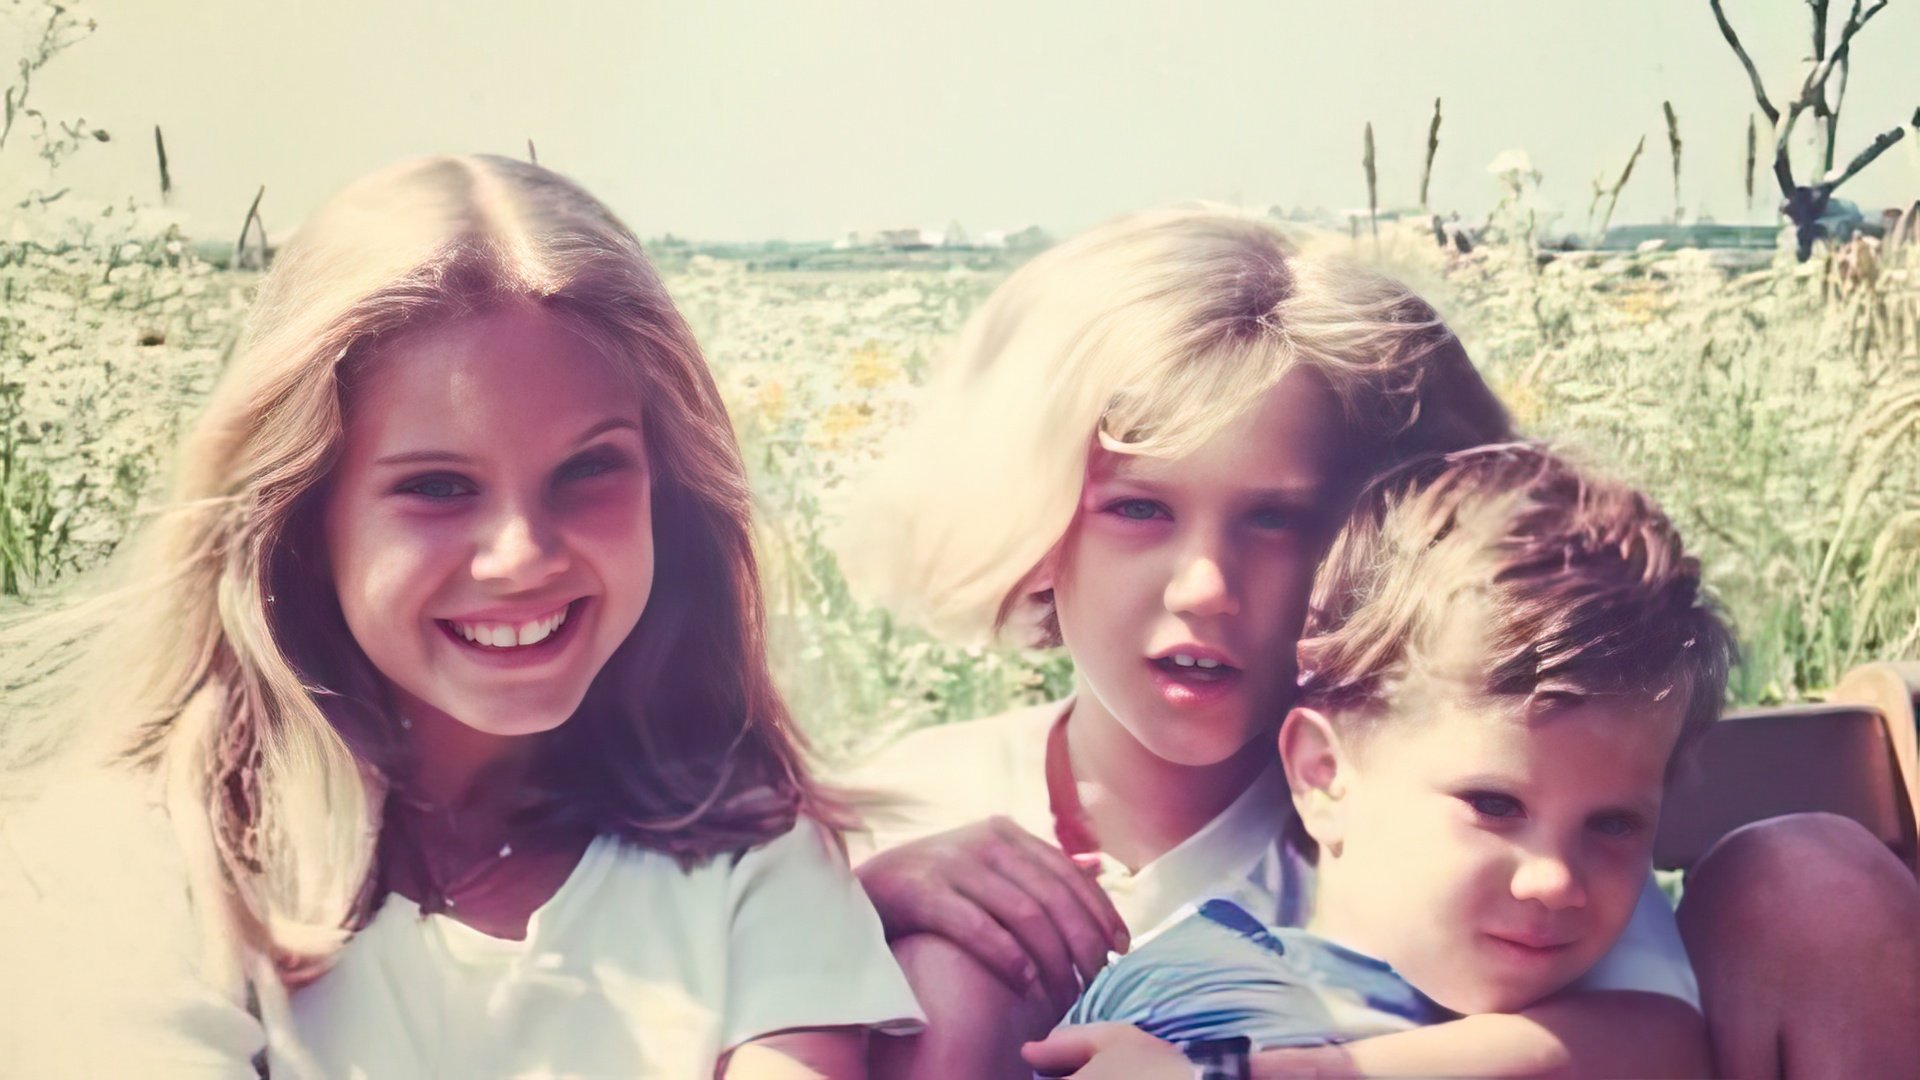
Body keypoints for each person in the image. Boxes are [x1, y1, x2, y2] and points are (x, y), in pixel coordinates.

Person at [838, 205, 1920, 1079]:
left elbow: (1640, 1036)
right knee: (947, 968)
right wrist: (866, 894)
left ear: (1377, 537)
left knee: (1814, 870)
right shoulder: (913, 804)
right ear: (1033, 517)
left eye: (1281, 520)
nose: (1207, 587)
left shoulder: (1458, 789)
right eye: (1139, 511)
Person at [0, 154, 921, 1079]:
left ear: (670, 495)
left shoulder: (750, 856)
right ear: (301, 515)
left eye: (588, 470)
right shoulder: (127, 861)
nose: (521, 556)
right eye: (438, 488)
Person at [1059, 443, 1735, 1062]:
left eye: (1613, 824)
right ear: (1325, 778)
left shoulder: (1643, 1001)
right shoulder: (1199, 1009)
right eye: (1494, 804)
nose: (1556, 880)